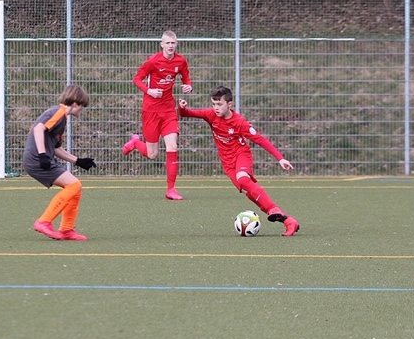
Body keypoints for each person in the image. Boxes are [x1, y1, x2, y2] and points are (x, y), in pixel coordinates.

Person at [178, 85, 300, 236]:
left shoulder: (239, 122)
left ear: (229, 104)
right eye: (213, 104)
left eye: (219, 104)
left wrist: (280, 158)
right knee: (250, 193)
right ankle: (289, 221)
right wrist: (182, 107)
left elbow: (260, 139)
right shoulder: (210, 115)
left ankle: (274, 209)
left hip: (241, 155)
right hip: (228, 163)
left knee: (243, 179)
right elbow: (186, 113)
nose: (216, 108)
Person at [122, 30, 192, 200]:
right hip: (151, 111)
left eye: (173, 43)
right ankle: (135, 142)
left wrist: (188, 86)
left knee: (172, 147)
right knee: (152, 154)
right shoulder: (153, 61)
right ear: (162, 44)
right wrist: (150, 91)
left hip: (168, 111)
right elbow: (137, 79)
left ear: (176, 44)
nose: (170, 46)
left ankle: (171, 190)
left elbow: (186, 79)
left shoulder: (181, 61)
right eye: (167, 43)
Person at [23, 85, 97, 241]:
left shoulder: (61, 117)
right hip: (36, 159)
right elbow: (38, 129)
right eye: (82, 106)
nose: (82, 110)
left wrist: (78, 161)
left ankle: (66, 230)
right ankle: (44, 221)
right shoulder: (59, 112)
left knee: (76, 188)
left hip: (41, 158)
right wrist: (42, 155)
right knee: (74, 185)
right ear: (75, 103)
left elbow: (55, 148)